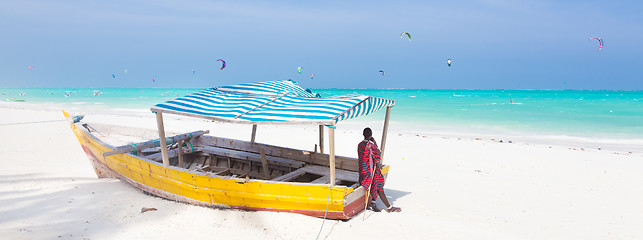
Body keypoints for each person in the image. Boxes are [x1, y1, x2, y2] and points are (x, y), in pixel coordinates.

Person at [357, 127, 401, 213]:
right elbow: (378, 154)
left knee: (373, 185)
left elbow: (364, 156)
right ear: (371, 135)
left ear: (363, 134)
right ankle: (389, 207)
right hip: (370, 169)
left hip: (363, 169)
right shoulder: (371, 145)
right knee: (379, 185)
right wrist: (375, 142)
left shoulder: (360, 145)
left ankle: (373, 203)